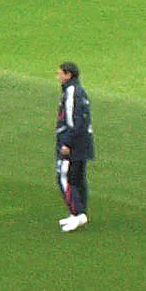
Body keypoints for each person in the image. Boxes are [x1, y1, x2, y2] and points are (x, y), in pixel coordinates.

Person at [55, 61, 94, 233]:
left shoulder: (72, 93)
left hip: (74, 144)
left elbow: (74, 122)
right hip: (83, 143)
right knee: (78, 179)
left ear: (68, 75)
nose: (58, 76)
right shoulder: (79, 91)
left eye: (60, 73)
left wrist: (66, 143)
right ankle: (78, 213)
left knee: (65, 177)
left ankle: (77, 214)